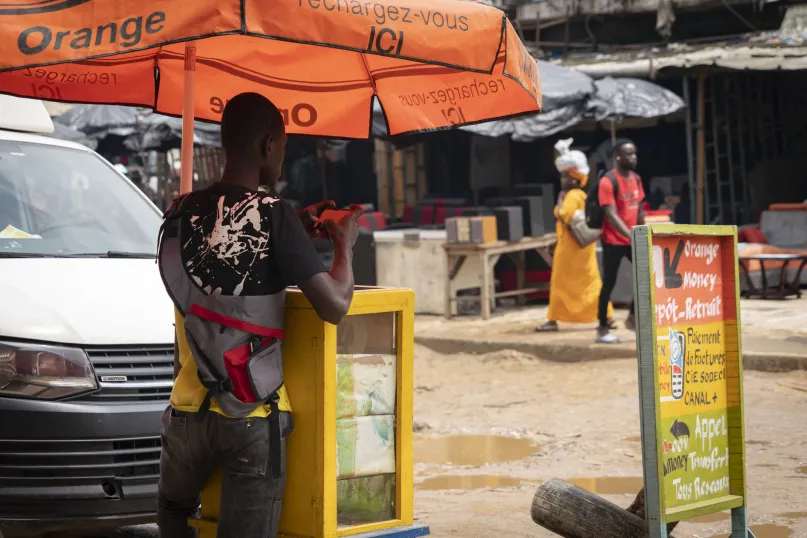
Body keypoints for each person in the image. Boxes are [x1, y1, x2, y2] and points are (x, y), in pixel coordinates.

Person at [156, 92, 362, 538]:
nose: (283, 156)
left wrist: (295, 234)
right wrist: (344, 244)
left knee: (172, 513)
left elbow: (221, 260)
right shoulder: (273, 214)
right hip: (251, 415)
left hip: (184, 416)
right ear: (269, 144)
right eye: (284, 147)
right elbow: (334, 305)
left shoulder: (179, 211)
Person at [537, 139, 613, 332]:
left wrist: (560, 203)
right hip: (581, 248)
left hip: (570, 250)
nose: (562, 180)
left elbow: (566, 216)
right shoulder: (581, 195)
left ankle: (552, 320)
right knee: (592, 282)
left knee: (559, 284)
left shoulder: (570, 196)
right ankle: (607, 315)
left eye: (565, 176)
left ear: (573, 178)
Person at [596, 139, 646, 344]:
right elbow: (611, 215)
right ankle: (601, 328)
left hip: (631, 238)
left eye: (634, 154)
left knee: (647, 275)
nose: (633, 158)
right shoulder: (608, 181)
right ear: (617, 157)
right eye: (629, 154)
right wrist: (630, 235)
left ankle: (632, 317)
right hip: (613, 240)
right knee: (609, 283)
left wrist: (642, 232)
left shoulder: (636, 178)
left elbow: (640, 208)